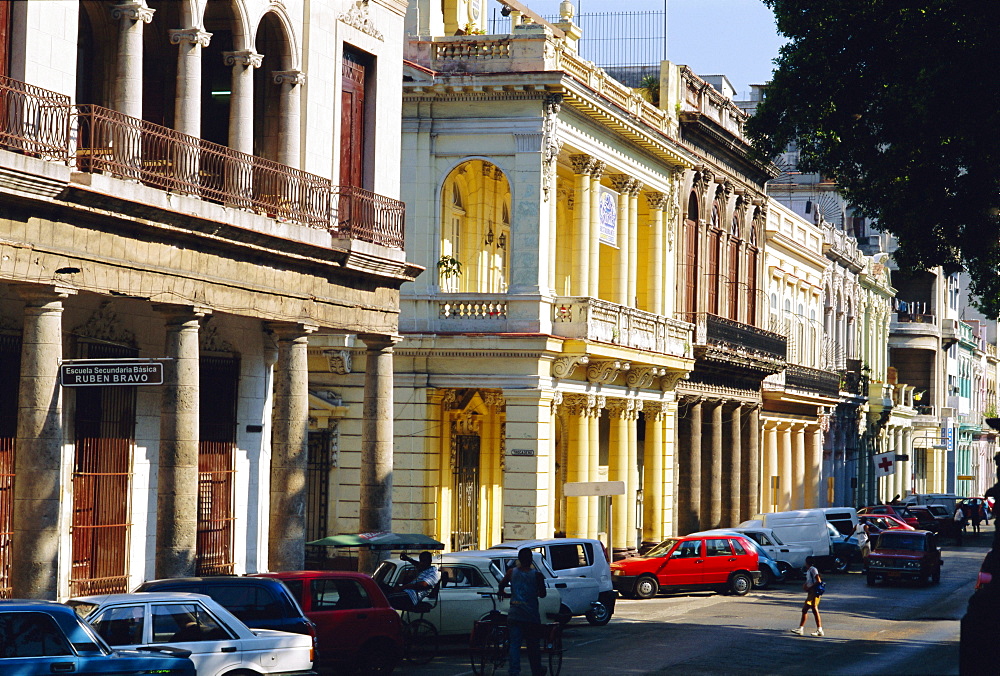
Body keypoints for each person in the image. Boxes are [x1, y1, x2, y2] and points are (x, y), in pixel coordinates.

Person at [498, 548, 548, 676]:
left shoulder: (511, 572)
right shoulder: (537, 575)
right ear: (531, 559)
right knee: (533, 645)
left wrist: (503, 593)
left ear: (519, 560)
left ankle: (514, 671)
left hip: (515, 613)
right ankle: (536, 670)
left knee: (515, 644)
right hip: (531, 615)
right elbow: (543, 594)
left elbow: (501, 585)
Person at [791, 556, 824, 637]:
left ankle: (801, 628)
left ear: (807, 562)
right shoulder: (810, 570)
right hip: (811, 592)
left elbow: (818, 580)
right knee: (814, 610)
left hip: (813, 592)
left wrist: (809, 587)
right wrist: (806, 585)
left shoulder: (813, 569)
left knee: (805, 609)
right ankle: (819, 629)